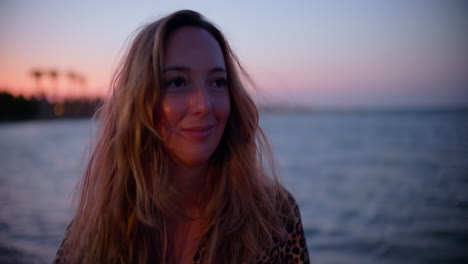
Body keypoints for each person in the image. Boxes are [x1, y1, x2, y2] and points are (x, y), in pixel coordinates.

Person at [53, 10, 309, 264]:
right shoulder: (95, 232)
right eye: (177, 82)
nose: (204, 105)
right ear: (139, 101)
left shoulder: (274, 218)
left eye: (218, 82)